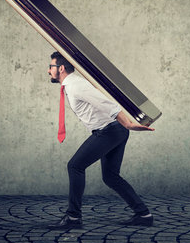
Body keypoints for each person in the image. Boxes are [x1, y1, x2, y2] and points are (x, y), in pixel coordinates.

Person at [47, 51, 155, 229]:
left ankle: (73, 218)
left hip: (110, 131)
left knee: (75, 166)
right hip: (113, 131)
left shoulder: (75, 85)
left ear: (61, 68)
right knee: (110, 176)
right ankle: (144, 215)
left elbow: (105, 103)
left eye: (50, 67)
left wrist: (127, 123)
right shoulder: (72, 85)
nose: (48, 71)